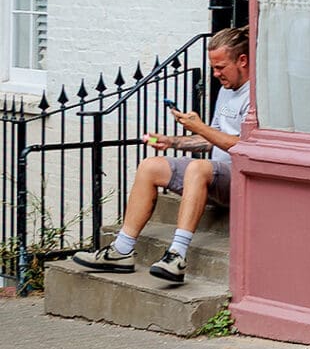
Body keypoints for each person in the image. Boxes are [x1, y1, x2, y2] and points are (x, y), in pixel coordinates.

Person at [72, 27, 252, 286]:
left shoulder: (255, 96)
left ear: (242, 61)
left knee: (198, 169)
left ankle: (176, 256)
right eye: (213, 67)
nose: (215, 74)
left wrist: (199, 126)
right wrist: (171, 141)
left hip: (242, 179)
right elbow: (212, 138)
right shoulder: (227, 88)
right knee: (150, 166)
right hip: (215, 172)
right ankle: (121, 251)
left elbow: (244, 147)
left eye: (221, 67)